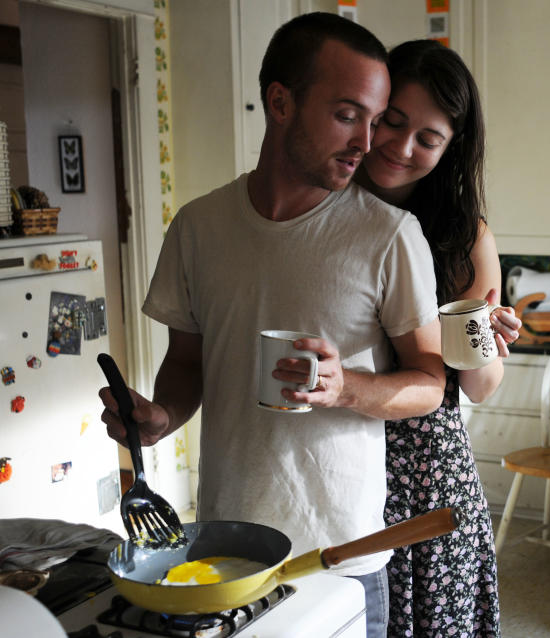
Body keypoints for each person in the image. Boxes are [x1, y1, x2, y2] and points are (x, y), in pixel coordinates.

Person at [98, 14, 446, 638]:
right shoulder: (198, 227)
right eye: (347, 115)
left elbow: (430, 384)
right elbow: (186, 362)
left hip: (342, 553)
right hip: (228, 549)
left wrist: (347, 389)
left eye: (375, 118)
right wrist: (162, 417)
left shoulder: (389, 234)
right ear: (280, 101)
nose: (368, 142)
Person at [353, 40, 522, 637]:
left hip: (429, 468)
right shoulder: (323, 211)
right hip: (337, 460)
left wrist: (486, 338)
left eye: (428, 138)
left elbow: (478, 386)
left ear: (452, 147)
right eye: (391, 123)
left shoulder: (463, 235)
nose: (401, 148)